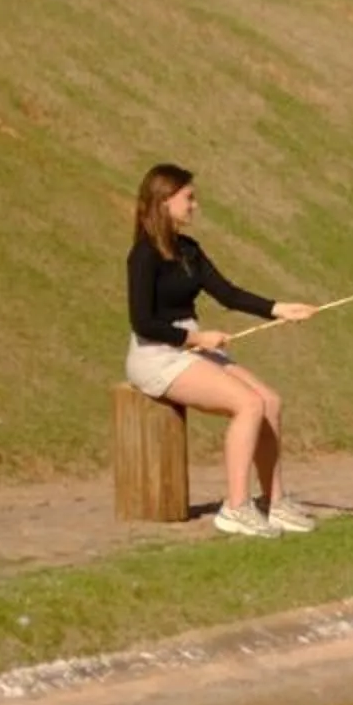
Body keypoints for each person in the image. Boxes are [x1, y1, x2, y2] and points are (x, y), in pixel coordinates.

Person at [127, 163, 319, 537]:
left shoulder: (189, 250)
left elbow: (227, 294)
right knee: (247, 404)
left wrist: (280, 308)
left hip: (190, 348)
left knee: (270, 402)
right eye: (189, 198)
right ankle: (235, 507)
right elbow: (142, 323)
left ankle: (274, 501)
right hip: (156, 354)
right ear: (164, 201)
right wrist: (198, 340)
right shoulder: (144, 256)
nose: (195, 205)